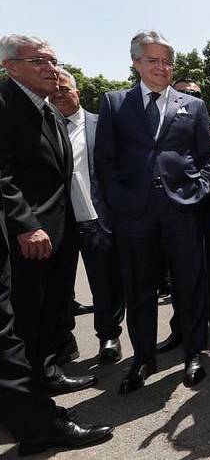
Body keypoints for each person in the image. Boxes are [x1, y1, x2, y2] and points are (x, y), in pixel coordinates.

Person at [94, 30, 210, 394]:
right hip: (134, 213)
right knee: (138, 289)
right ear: (136, 63)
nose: (162, 67)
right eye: (153, 60)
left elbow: (207, 156)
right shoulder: (115, 102)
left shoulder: (193, 105)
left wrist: (201, 189)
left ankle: (194, 353)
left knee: (190, 285)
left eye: (167, 61)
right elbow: (105, 161)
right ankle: (143, 359)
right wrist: (119, 200)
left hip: (183, 210)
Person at [0, 34, 97, 395]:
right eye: (39, 61)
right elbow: (2, 173)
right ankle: (30, 403)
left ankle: (47, 373)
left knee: (51, 312)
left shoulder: (49, 108)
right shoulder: (5, 104)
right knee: (27, 318)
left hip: (59, 232)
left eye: (54, 61)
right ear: (11, 67)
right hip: (28, 237)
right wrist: (25, 224)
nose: (51, 68)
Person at [1, 193, 114, 455]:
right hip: (24, 218)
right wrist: (22, 221)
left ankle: (36, 400)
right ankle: (37, 424)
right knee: (6, 335)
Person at [49, 68, 125, 364]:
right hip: (57, 221)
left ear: (77, 93)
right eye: (53, 91)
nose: (58, 95)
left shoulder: (103, 124)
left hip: (97, 218)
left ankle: (109, 335)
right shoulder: (44, 126)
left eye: (64, 89)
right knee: (58, 286)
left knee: (105, 282)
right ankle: (64, 340)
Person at [157, 81, 210, 353]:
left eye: (195, 95)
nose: (188, 98)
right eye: (183, 93)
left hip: (207, 215)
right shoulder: (161, 128)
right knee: (177, 279)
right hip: (172, 216)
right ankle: (180, 330)